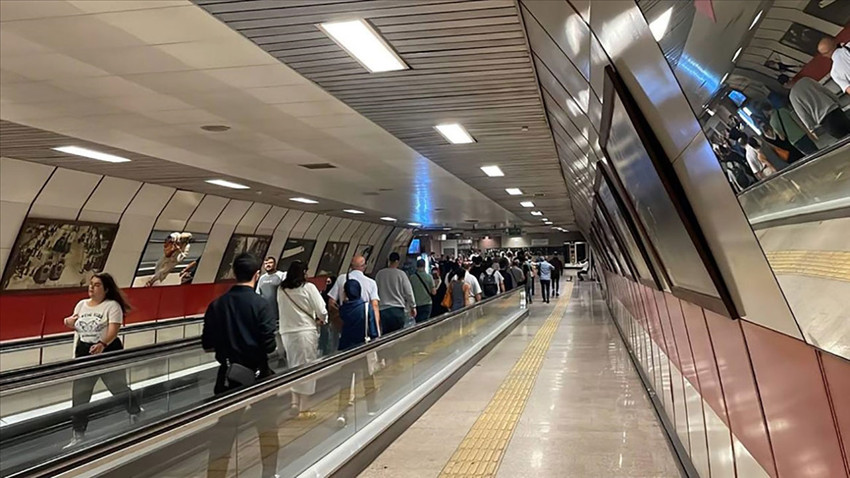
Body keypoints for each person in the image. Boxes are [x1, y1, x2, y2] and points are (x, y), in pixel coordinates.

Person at [202, 253, 279, 478]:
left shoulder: (217, 305)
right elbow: (269, 345)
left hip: (228, 375)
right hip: (259, 375)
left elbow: (207, 343)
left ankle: (216, 476)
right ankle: (269, 473)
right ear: (257, 274)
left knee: (224, 433)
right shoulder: (261, 304)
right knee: (267, 428)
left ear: (234, 274)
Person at [63, 273, 141, 449]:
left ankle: (134, 410)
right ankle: (78, 433)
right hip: (85, 350)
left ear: (106, 289)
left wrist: (102, 344)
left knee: (117, 386)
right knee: (80, 394)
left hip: (108, 350)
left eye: (97, 285)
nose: (91, 287)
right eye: (91, 284)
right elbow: (74, 322)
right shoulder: (81, 305)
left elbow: (114, 330)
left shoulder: (112, 306)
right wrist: (68, 322)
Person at [278, 260, 327, 418]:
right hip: (305, 331)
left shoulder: (281, 289)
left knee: (293, 366)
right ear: (304, 273)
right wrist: (322, 319)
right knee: (307, 367)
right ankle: (304, 408)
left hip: (286, 333)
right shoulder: (308, 287)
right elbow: (321, 310)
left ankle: (294, 402)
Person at [336, 279, 378, 427]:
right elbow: (373, 331)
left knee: (345, 383)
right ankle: (371, 408)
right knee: (368, 378)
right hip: (363, 349)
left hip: (346, 351)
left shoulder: (343, 309)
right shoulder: (366, 307)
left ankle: (342, 414)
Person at [780, 74, 850, 141]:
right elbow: (824, 90)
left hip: (824, 120)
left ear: (785, 85)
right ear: (790, 78)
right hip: (834, 110)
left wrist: (811, 128)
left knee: (844, 140)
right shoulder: (806, 80)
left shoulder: (792, 96)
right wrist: (837, 101)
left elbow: (802, 114)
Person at [328, 255, 381, 334]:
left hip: (345, 322)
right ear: (364, 266)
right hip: (363, 322)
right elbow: (375, 306)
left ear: (351, 266)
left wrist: (336, 320)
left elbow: (331, 302)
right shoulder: (371, 283)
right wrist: (377, 330)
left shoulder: (341, 278)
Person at [374, 252, 416, 334]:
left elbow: (375, 291)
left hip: (383, 310)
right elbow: (408, 292)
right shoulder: (401, 274)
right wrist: (413, 306)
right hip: (397, 310)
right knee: (398, 335)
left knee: (386, 335)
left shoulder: (379, 274)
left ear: (389, 261)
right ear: (397, 261)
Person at [409, 259, 436, 323]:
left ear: (417, 266)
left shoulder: (412, 278)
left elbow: (409, 292)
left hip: (416, 304)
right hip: (427, 303)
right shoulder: (429, 277)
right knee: (425, 322)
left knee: (418, 323)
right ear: (424, 265)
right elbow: (434, 292)